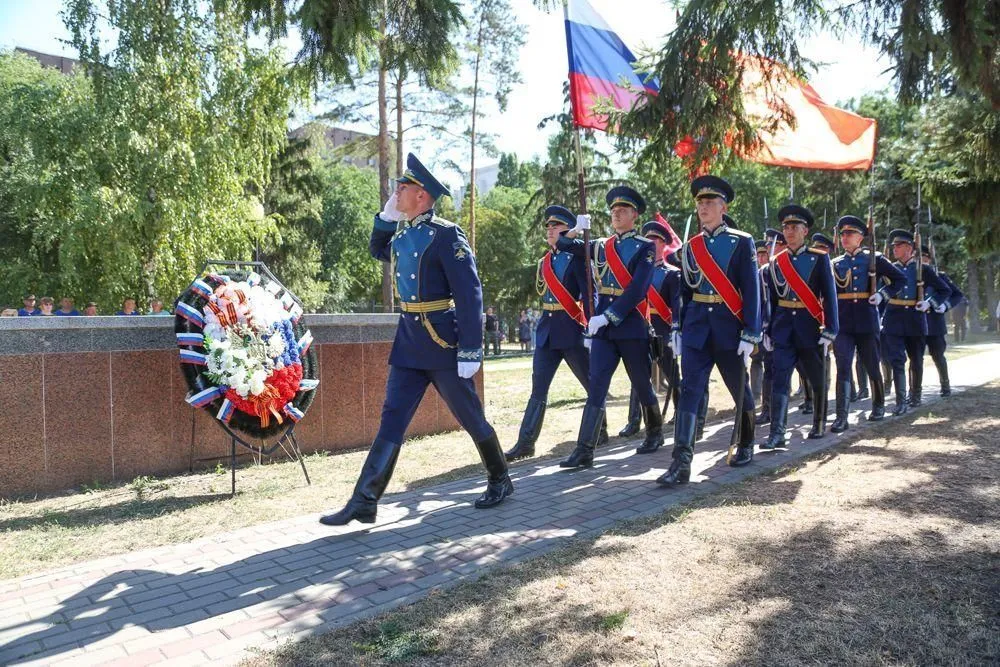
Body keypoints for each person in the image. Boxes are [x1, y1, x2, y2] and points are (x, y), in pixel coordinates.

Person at [320, 153, 512, 526]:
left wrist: (471, 348)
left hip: (441, 341)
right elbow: (377, 249)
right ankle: (365, 499)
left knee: (468, 415)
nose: (398, 192)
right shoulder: (403, 233)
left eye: (403, 188)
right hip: (409, 339)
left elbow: (470, 293)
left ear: (422, 195)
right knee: (392, 418)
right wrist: (386, 217)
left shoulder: (446, 234)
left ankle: (500, 478)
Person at [660, 176, 761, 486]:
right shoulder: (691, 246)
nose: (703, 207)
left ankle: (744, 443)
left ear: (723, 207)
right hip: (696, 329)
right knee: (689, 391)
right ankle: (681, 462)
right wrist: (677, 326)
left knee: (738, 388)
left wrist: (751, 332)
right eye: (699, 203)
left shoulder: (741, 241)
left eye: (709, 202)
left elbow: (752, 289)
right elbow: (685, 291)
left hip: (729, 327)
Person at [557, 185, 664, 467]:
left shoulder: (646, 247)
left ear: (634, 215)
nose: (617, 214)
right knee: (597, 386)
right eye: (614, 211)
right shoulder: (600, 245)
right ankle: (585, 449)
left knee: (641, 382)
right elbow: (564, 245)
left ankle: (654, 432)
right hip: (604, 330)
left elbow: (638, 289)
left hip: (630, 324)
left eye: (623, 210)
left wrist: (609, 315)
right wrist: (576, 229)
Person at [504, 205, 608, 461]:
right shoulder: (545, 262)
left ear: (568, 231)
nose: (550, 231)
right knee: (538, 387)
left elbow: (589, 294)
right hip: (547, 331)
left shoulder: (579, 257)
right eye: (548, 227)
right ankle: (526, 443)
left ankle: (599, 429)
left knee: (590, 383)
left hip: (572, 329)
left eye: (556, 227)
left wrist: (590, 325)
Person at [759, 204, 839, 450]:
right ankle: (777, 434)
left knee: (815, 378)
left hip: (810, 327)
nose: (789, 231)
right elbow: (771, 299)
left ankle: (818, 422)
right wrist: (768, 330)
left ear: (805, 231)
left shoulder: (819, 258)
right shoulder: (776, 262)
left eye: (795, 227)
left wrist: (830, 329)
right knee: (780, 379)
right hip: (783, 328)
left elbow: (830, 296)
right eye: (786, 227)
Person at [828, 215, 905, 432]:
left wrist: (882, 295)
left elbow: (899, 279)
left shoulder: (874, 259)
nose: (845, 237)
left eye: (849, 233)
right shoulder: (835, 264)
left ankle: (878, 405)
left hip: (866, 319)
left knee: (872, 364)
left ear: (861, 237)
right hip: (843, 323)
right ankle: (841, 417)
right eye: (842, 233)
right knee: (843, 367)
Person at [881, 229, 950, 414]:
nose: (894, 248)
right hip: (893, 318)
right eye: (894, 245)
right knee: (897, 359)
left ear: (910, 248)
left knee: (916, 359)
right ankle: (901, 401)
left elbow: (944, 290)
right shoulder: (888, 268)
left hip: (915, 318)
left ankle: (916, 395)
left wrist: (929, 303)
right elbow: (880, 293)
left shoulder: (922, 269)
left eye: (899, 245)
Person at [921, 245, 963, 397]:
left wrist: (945, 305)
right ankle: (914, 391)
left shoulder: (939, 275)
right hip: (916, 323)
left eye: (924, 257)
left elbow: (957, 294)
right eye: (917, 256)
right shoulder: (910, 275)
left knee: (937, 355)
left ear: (929, 259)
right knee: (915, 358)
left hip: (934, 323)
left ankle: (945, 385)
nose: (921, 260)